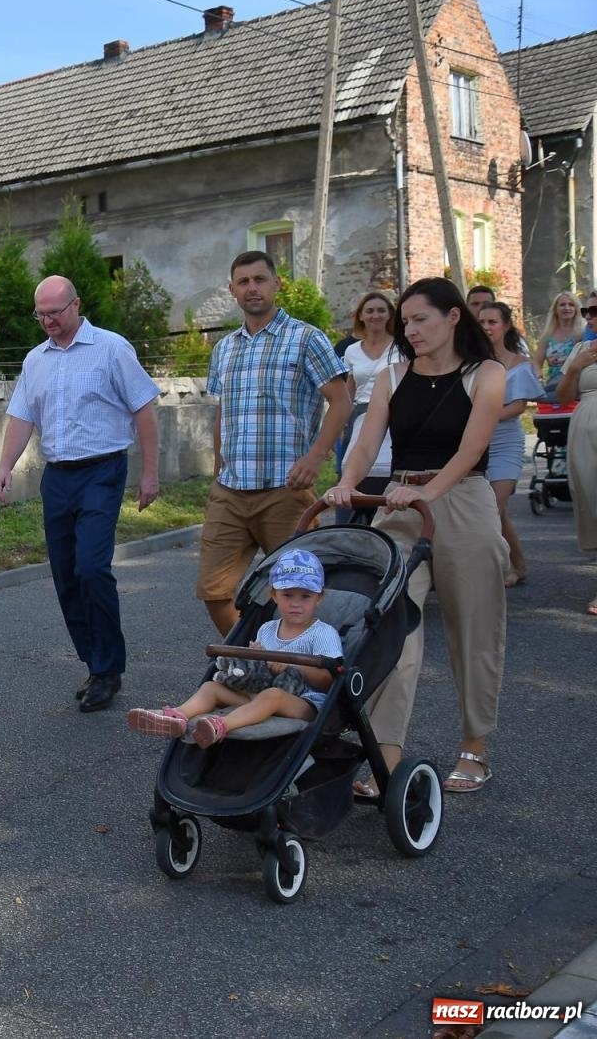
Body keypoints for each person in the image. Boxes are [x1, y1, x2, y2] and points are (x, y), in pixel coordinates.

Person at [326, 278, 507, 797]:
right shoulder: (392, 376)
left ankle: (475, 746)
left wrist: (430, 493)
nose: (412, 330)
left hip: (463, 499)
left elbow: (471, 451)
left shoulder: (486, 374)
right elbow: (364, 445)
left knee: (474, 627)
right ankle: (387, 754)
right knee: (391, 627)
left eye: (421, 319)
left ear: (453, 318)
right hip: (400, 504)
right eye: (407, 322)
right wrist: (346, 483)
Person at [0, 274, 160, 714]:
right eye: (40, 314)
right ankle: (93, 662)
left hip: (103, 471)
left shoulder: (112, 348)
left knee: (91, 569)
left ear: (76, 305)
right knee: (66, 574)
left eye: (54, 312)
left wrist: (150, 473)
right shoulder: (35, 360)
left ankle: (108, 669)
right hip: (58, 477)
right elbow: (22, 417)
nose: (47, 320)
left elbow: (144, 408)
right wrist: (5, 465)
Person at [199, 251, 351, 635]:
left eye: (260, 279)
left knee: (297, 592)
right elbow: (223, 414)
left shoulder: (306, 338)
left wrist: (317, 457)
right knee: (214, 591)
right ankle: (258, 661)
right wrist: (217, 474)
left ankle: (301, 672)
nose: (252, 287)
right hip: (230, 492)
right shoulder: (224, 349)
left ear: (277, 283)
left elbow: (341, 399)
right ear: (232, 290)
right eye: (244, 281)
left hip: (286, 489)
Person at [126, 549, 340, 747]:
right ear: (274, 596)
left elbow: (331, 679)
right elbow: (258, 672)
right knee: (211, 687)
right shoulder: (267, 629)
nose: (296, 603)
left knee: (273, 695)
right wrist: (255, 657)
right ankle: (176, 717)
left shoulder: (323, 633)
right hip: (258, 696)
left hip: (304, 703)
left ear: (319, 598)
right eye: (287, 595)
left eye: (305, 596)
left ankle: (221, 725)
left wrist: (293, 663)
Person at [478, 302, 542, 587]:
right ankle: (517, 562)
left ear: (505, 325)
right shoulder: (473, 363)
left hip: (506, 441)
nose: (486, 327)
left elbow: (517, 407)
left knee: (495, 504)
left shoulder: (519, 364)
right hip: (477, 441)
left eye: (492, 322)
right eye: (481, 322)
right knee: (490, 508)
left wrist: (484, 417)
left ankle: (500, 565)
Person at [338, 292, 401, 514]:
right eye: (370, 310)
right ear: (361, 316)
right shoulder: (351, 351)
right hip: (361, 413)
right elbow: (349, 391)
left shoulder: (402, 347)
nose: (376, 315)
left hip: (395, 412)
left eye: (381, 310)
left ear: (390, 315)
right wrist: (341, 425)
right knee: (352, 475)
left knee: (386, 473)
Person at [553, 319, 597, 615]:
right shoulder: (581, 349)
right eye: (589, 310)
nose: (590, 315)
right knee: (592, 500)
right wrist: (575, 367)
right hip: (584, 429)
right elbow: (563, 395)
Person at [532, 291, 581, 398]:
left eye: (571, 304)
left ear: (576, 309)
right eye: (562, 305)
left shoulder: (582, 334)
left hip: (576, 388)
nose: (567, 308)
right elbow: (536, 362)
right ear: (555, 309)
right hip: (552, 386)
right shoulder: (547, 335)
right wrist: (538, 379)